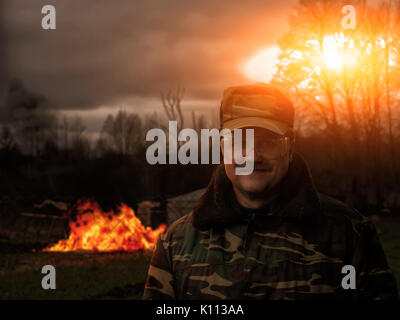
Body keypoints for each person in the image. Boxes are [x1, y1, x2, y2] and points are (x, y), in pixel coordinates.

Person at [142, 83, 398, 300]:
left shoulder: (350, 234)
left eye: (267, 141)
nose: (253, 156)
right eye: (241, 140)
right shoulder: (175, 244)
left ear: (290, 146)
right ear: (222, 146)